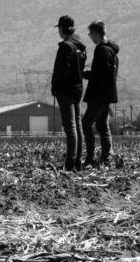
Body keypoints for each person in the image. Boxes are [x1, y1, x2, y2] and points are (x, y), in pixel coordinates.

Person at [51, 15, 87, 172]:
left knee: (70, 125)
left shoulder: (66, 47)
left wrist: (55, 87)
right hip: (78, 89)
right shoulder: (81, 47)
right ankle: (78, 160)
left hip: (65, 90)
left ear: (61, 29)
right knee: (78, 124)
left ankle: (70, 162)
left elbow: (60, 71)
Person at [82, 20, 119, 168]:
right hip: (107, 95)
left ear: (96, 33)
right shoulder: (112, 51)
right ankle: (106, 157)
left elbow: (99, 74)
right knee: (102, 125)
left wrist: (84, 74)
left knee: (86, 124)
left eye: (90, 33)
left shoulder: (101, 50)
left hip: (98, 95)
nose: (90, 37)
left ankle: (90, 157)